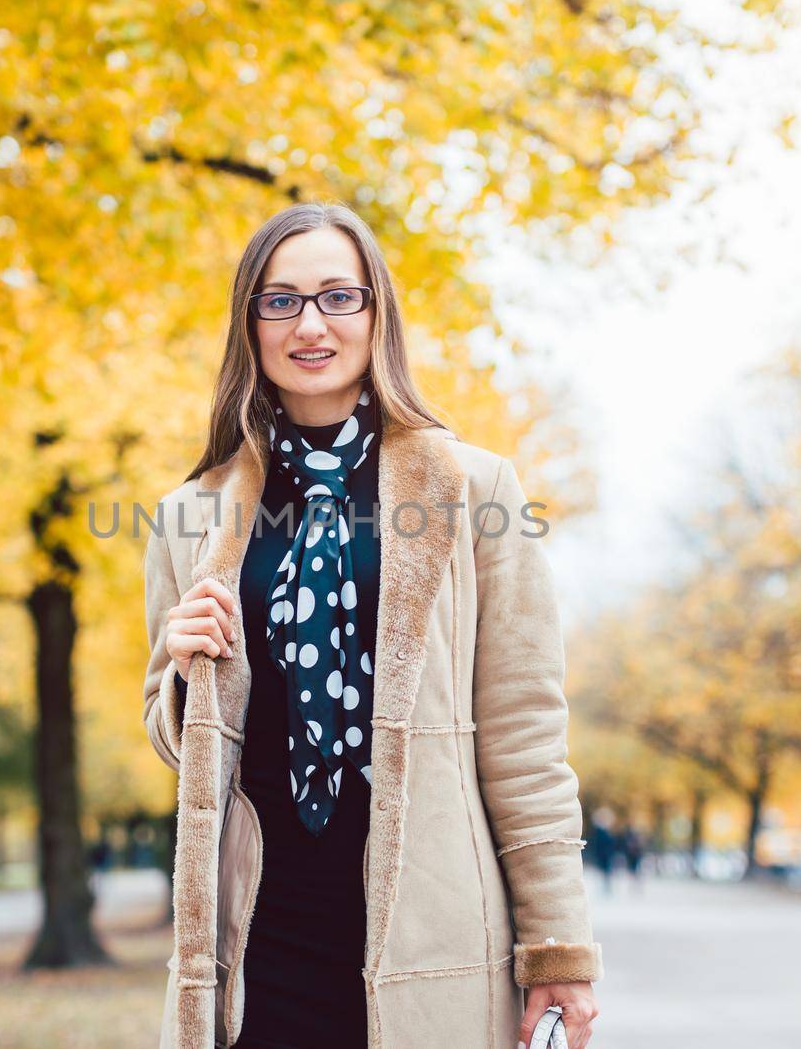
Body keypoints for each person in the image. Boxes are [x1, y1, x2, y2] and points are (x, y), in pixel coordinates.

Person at [141, 203, 602, 1049]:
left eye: (337, 297)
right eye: (280, 301)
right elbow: (176, 744)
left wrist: (557, 946)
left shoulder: (477, 490)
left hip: (433, 932)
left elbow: (526, 731)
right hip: (254, 939)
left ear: (375, 314)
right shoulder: (188, 516)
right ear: (250, 323)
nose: (309, 323)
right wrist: (182, 668)